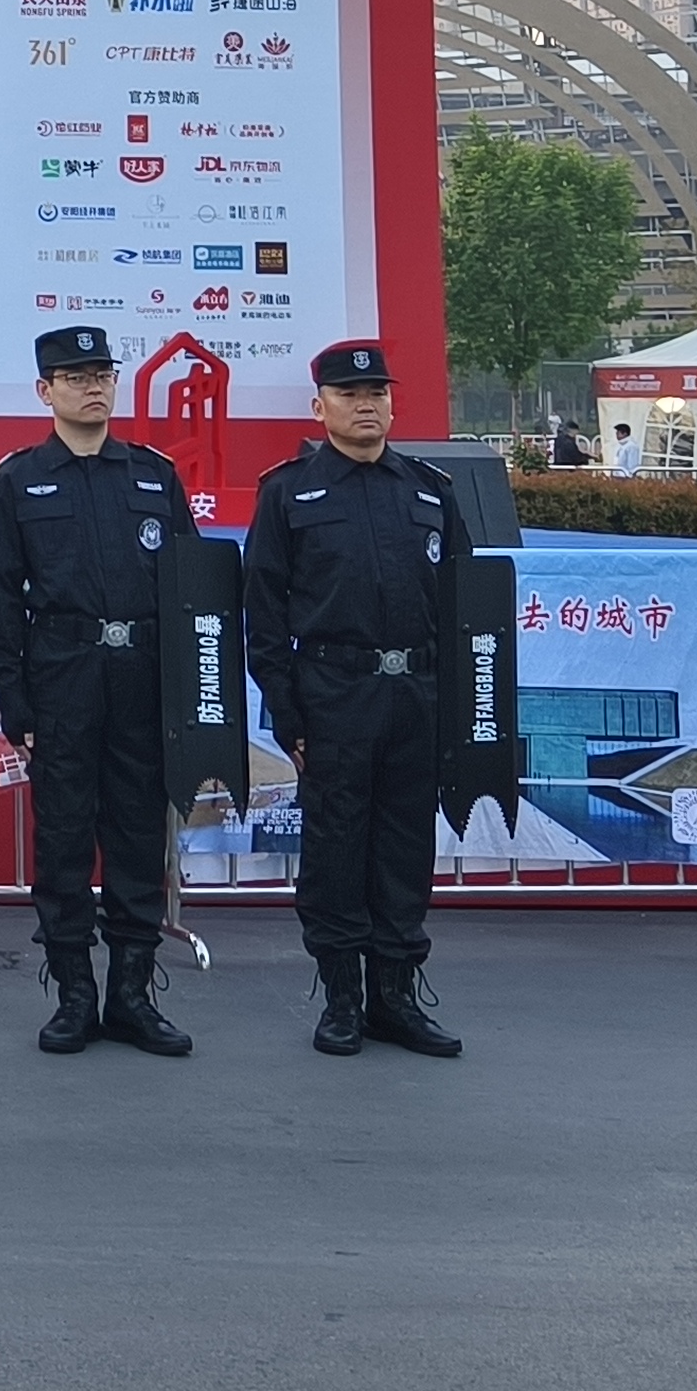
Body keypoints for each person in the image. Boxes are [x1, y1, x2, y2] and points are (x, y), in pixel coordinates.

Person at [0, 324, 198, 1057]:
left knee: (137, 839)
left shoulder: (153, 476)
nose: (93, 387)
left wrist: (186, 696)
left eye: (102, 374)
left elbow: (190, 592)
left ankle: (132, 995)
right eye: (75, 377)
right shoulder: (15, 481)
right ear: (46, 390)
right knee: (64, 842)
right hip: (63, 678)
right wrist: (16, 705)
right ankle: (74, 995)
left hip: (142, 679)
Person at [246, 340, 471, 1059]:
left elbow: (463, 609)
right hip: (334, 695)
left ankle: (395, 998)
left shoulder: (430, 490)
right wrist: (288, 715)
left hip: (417, 696)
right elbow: (264, 616)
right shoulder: (290, 493)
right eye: (349, 394)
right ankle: (342, 998)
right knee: (337, 849)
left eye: (377, 392)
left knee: (405, 847)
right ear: (320, 407)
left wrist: (457, 709)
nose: (366, 404)